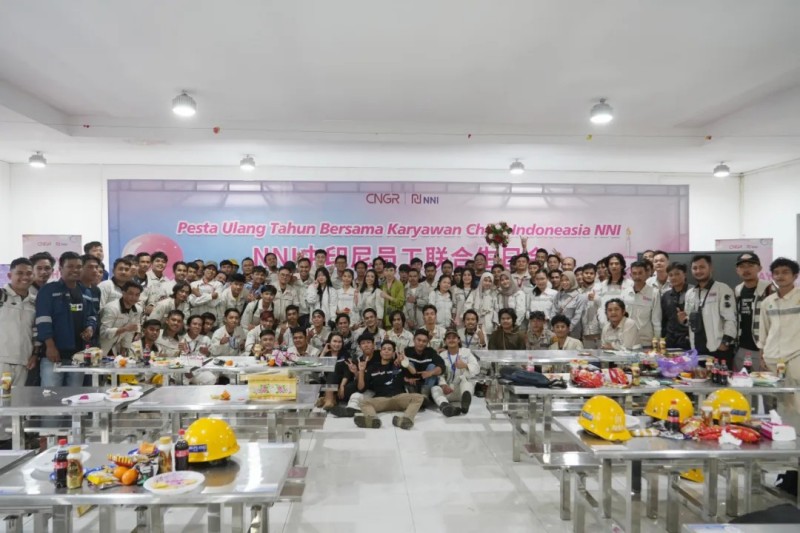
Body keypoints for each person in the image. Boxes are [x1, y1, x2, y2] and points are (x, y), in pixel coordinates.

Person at [35, 252, 96, 387]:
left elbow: (92, 315)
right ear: (60, 269)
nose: (75, 270)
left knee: (74, 396)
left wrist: (90, 327)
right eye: (70, 266)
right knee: (51, 395)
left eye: (79, 267)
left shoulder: (86, 292)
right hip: (53, 354)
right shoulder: (48, 290)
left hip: (78, 356)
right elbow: (43, 320)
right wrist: (50, 346)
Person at [758, 258, 800, 412]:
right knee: (778, 400)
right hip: (772, 357)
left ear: (795, 276)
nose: (780, 276)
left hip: (796, 354)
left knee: (796, 399)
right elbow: (763, 329)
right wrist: (762, 353)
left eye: (785, 272)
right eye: (776, 273)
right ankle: (780, 426)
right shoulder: (768, 302)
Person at [354, 340, 425, 430]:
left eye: (389, 349)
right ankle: (372, 420)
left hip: (399, 398)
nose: (386, 351)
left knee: (419, 397)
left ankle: (406, 419)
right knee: (363, 402)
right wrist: (361, 371)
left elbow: (414, 373)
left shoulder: (398, 365)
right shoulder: (372, 368)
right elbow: (361, 388)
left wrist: (405, 362)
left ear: (393, 353)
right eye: (384, 349)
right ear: (380, 352)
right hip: (382, 399)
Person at [684, 255, 737, 367]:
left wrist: (725, 342)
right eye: (695, 268)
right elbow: (690, 320)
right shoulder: (690, 293)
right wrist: (683, 320)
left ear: (711, 268)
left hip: (718, 348)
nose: (698, 271)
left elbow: (730, 318)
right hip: (697, 349)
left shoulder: (722, 289)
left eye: (702, 267)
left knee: (720, 378)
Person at [733, 253, 773, 371]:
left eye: (750, 265)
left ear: (759, 268)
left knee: (764, 382)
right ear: (737, 270)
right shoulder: (737, 290)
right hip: (741, 348)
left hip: (763, 350)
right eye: (742, 266)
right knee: (741, 381)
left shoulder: (769, 289)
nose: (746, 269)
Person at [0, 258, 37, 386]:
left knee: (17, 398)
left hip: (24, 363)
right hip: (2, 362)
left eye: (29, 273)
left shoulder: (35, 302)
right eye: (20, 273)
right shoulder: (2, 296)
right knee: (3, 397)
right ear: (10, 275)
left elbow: (36, 331)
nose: (25, 277)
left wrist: (35, 355)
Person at [427, 329, 479, 417]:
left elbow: (477, 368)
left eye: (454, 338)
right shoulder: (441, 355)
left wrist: (465, 365)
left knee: (467, 382)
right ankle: (445, 406)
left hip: (462, 390)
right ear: (445, 341)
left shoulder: (467, 352)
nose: (451, 340)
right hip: (448, 390)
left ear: (458, 340)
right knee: (434, 389)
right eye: (448, 338)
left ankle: (465, 404)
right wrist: (443, 385)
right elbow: (439, 374)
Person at [622, 261, 662, 348]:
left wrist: (657, 341)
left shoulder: (654, 293)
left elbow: (656, 319)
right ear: (631, 275)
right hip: (628, 341)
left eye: (640, 273)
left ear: (646, 274)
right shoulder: (625, 292)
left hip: (646, 342)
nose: (637, 276)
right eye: (634, 273)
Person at [98, 281, 142, 357]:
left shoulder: (138, 310)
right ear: (123, 293)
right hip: (99, 346)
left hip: (115, 348)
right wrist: (124, 329)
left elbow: (130, 332)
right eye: (131, 294)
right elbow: (103, 333)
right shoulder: (111, 308)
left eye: (137, 295)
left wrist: (124, 350)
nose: (134, 297)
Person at [402, 329, 446, 399]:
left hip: (427, 383)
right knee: (408, 364)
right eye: (419, 340)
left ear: (427, 342)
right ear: (414, 340)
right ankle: (414, 396)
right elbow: (401, 368)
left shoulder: (431, 352)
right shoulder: (407, 351)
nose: (421, 343)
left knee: (432, 366)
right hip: (412, 382)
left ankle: (425, 395)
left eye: (424, 341)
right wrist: (407, 378)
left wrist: (431, 372)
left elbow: (442, 366)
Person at [661, 262, 692, 350]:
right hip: (670, 340)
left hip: (688, 339)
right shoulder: (666, 295)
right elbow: (664, 320)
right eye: (670, 275)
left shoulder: (693, 292)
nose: (673, 277)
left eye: (677, 274)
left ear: (684, 274)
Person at [553, 271, 587, 339]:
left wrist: (568, 328)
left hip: (573, 331)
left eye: (567, 280)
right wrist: (554, 326)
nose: (564, 282)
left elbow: (578, 315)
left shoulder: (580, 296)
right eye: (562, 280)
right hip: (558, 330)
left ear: (572, 280)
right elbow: (554, 311)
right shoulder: (558, 294)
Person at [579, 263, 602, 348]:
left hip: (600, 330)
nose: (589, 275)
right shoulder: (578, 291)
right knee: (587, 355)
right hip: (584, 332)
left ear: (595, 275)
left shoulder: (601, 288)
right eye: (586, 273)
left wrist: (596, 298)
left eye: (591, 273)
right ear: (582, 274)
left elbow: (605, 305)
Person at [380, 262, 405, 328]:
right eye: (386, 270)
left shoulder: (399, 284)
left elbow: (400, 302)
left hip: (395, 318)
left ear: (395, 272)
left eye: (391, 270)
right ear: (383, 272)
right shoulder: (382, 284)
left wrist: (387, 296)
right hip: (383, 317)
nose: (389, 273)